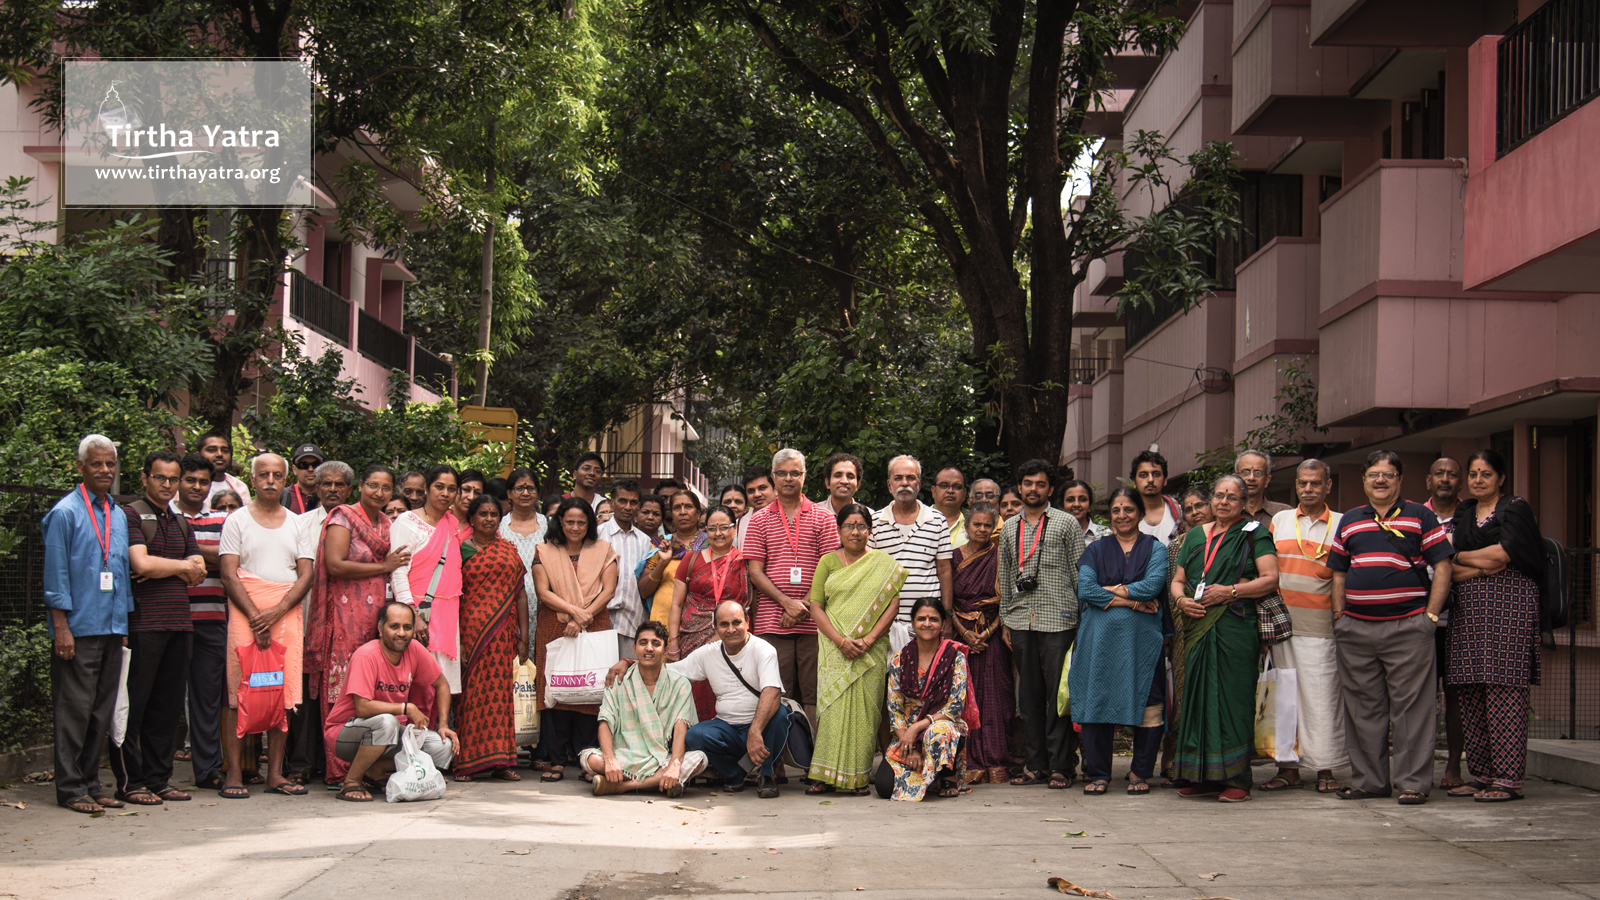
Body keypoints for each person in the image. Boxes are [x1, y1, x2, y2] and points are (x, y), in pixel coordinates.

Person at [1328, 450, 1453, 805]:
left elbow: (1442, 565)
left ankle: (1413, 783)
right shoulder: (1351, 519)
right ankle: (1369, 781)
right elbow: (1339, 570)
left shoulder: (1420, 516)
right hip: (1356, 630)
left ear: (1399, 479)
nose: (1380, 480)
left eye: (1387, 474)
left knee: (1412, 708)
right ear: (1364, 480)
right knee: (1362, 708)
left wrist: (1430, 616)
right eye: (1373, 475)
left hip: (1408, 627)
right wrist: (1340, 615)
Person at [1168, 474, 1279, 803]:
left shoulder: (1254, 533)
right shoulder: (1194, 537)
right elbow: (1178, 580)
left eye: (1232, 497)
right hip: (1197, 625)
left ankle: (1236, 779)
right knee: (1197, 699)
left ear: (1244, 503)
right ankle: (1200, 775)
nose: (1224, 502)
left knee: (1232, 700)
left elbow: (1270, 579)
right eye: (1218, 496)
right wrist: (1180, 600)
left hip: (1234, 625)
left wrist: (1231, 591)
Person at [614, 600, 792, 798]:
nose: (731, 629)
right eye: (724, 624)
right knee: (695, 735)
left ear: (747, 622)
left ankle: (768, 775)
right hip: (728, 727)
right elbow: (669, 670)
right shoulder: (708, 653)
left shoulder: (764, 650)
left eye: (737, 623)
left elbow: (772, 691)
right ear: (715, 628)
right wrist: (629, 662)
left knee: (781, 715)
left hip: (762, 726)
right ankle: (734, 775)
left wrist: (755, 730)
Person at [1447, 449, 1545, 802]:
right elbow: (1451, 564)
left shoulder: (1515, 507)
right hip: (1468, 614)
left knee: (1505, 689)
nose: (1478, 480)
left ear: (1501, 478)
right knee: (1470, 689)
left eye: (1485, 474)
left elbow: (1507, 554)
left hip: (1510, 609)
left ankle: (1507, 779)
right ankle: (1482, 774)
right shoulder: (1465, 512)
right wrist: (1478, 564)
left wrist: (1464, 559)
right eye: (1472, 474)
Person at [44, 435, 136, 814]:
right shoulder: (65, 513)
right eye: (96, 464)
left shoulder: (116, 512)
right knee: (74, 709)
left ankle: (92, 782)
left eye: (110, 464)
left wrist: (124, 621)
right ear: (80, 467)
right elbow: (55, 576)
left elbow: (121, 572)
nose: (104, 470)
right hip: (79, 628)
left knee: (101, 710)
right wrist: (60, 628)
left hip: (112, 626)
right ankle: (69, 788)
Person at [217, 453, 316, 799]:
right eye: (263, 475)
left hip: (285, 613)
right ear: (253, 479)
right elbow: (228, 573)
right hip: (245, 613)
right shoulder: (237, 521)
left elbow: (306, 574)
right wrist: (256, 615)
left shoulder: (296, 523)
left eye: (277, 475)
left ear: (285, 480)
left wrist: (277, 611)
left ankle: (275, 773)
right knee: (239, 692)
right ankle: (234, 773)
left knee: (282, 694)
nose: (270, 481)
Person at [110, 451, 205, 806]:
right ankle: (131, 782)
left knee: (166, 708)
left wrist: (165, 566)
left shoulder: (180, 520)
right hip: (142, 625)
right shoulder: (131, 513)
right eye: (160, 477)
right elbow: (139, 562)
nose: (167, 485)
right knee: (135, 705)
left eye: (173, 479)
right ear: (145, 478)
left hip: (180, 624)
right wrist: (178, 566)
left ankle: (159, 779)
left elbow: (196, 567)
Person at [306, 464, 408, 785]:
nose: (379, 493)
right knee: (344, 690)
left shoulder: (388, 524)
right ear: (360, 487)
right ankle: (339, 771)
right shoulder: (343, 517)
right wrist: (383, 566)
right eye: (373, 486)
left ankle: (368, 766)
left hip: (374, 619)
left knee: (370, 689)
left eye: (386, 488)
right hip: (344, 619)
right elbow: (334, 565)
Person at [1071, 487, 1169, 796]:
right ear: (1109, 515)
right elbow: (1085, 589)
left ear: (1140, 513)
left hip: (1142, 642)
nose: (1122, 515)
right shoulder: (1096, 550)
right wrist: (1132, 601)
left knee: (1149, 704)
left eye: (1128, 509)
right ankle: (1099, 773)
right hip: (1098, 642)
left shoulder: (1156, 549)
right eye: (1116, 510)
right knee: (1096, 700)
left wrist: (1112, 590)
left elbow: (1152, 586)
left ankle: (1139, 771)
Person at [806, 503, 906, 795]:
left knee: (866, 713)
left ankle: (857, 778)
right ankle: (824, 776)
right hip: (834, 648)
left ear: (870, 531)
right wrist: (840, 641)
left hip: (870, 651)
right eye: (849, 525)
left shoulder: (882, 563)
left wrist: (869, 639)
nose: (856, 531)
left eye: (862, 526)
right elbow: (816, 606)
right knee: (832, 708)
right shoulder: (827, 562)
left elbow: (893, 605)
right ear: (839, 530)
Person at [997, 459, 1084, 790]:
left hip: (1059, 620)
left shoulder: (1065, 523)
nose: (1034, 489)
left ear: (1051, 489)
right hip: (1020, 620)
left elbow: (1079, 573)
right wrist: (1006, 619)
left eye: (1041, 484)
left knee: (1058, 697)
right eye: (1028, 483)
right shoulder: (1008, 528)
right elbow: (1005, 576)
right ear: (1019, 487)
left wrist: (1083, 617)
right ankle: (1035, 766)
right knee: (1029, 697)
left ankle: (1062, 765)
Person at [1263, 459, 1348, 794]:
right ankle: (1288, 768)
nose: (1308, 489)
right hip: (1283, 626)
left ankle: (1325, 769)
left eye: (1315, 483)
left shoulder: (1343, 523)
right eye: (1302, 483)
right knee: (1285, 699)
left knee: (1322, 699)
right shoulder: (1280, 520)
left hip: (1323, 628)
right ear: (1295, 486)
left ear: (1328, 485)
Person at [745, 448, 840, 733]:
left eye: (795, 473)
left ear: (805, 476)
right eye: (782, 473)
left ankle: (814, 761)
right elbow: (755, 571)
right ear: (773, 477)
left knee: (814, 692)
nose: (789, 478)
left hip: (816, 620)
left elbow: (830, 569)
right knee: (775, 689)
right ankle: (776, 762)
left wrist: (803, 606)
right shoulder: (758, 519)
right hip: (772, 621)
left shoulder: (823, 517)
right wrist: (787, 603)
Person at [325, 602, 458, 802]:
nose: (401, 633)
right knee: (388, 722)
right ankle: (351, 781)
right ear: (380, 629)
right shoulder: (366, 655)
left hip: (389, 733)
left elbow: (442, 685)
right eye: (394, 626)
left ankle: (376, 768)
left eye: (407, 627)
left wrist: (445, 725)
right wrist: (406, 708)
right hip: (345, 733)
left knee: (443, 746)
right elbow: (362, 708)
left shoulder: (414, 649)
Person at [532, 498, 618, 782]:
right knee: (555, 690)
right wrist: (574, 614)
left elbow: (609, 590)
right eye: (569, 521)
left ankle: (586, 758)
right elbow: (543, 592)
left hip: (594, 623)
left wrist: (583, 618)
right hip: (554, 625)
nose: (575, 527)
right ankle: (556, 760)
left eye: (581, 522)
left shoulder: (603, 550)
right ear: (559, 522)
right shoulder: (544, 551)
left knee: (591, 688)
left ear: (590, 523)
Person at [581, 622, 709, 796]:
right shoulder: (618, 679)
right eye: (643, 643)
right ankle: (661, 782)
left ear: (665, 650)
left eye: (656, 644)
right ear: (634, 648)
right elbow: (605, 722)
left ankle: (623, 786)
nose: (649, 648)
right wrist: (610, 760)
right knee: (589, 759)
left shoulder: (680, 684)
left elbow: (681, 728)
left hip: (660, 759)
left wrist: (675, 764)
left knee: (699, 759)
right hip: (623, 757)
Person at [453, 494, 530, 781]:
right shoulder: (461, 551)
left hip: (503, 634)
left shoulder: (508, 549)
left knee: (501, 696)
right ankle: (467, 763)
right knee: (472, 697)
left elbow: (520, 593)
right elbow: (454, 596)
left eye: (493, 514)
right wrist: (457, 638)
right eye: (482, 514)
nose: (488, 519)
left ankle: (503, 762)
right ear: (471, 519)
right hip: (471, 633)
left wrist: (524, 636)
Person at [173, 452, 231, 791]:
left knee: (208, 699)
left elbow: (229, 560)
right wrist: (200, 553)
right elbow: (154, 553)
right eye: (190, 480)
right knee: (162, 698)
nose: (196, 486)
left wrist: (183, 549)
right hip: (170, 618)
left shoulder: (224, 521)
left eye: (203, 482)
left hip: (212, 619)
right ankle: (153, 771)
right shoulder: (165, 515)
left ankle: (208, 768)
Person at [667, 505, 750, 721]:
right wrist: (673, 642)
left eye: (724, 527)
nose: (718, 533)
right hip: (691, 640)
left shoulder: (745, 562)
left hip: (732, 641)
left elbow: (751, 606)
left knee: (727, 694)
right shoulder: (691, 559)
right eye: (712, 528)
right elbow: (676, 605)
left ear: (735, 529)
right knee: (690, 694)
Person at [882, 598, 970, 800]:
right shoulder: (900, 659)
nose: (927, 624)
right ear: (912, 623)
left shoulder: (955, 657)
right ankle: (930, 774)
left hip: (939, 725)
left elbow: (955, 706)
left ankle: (948, 776)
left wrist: (917, 727)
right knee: (885, 787)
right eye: (921, 619)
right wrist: (908, 743)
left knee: (939, 731)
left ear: (942, 624)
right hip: (907, 735)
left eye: (934, 619)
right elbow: (894, 708)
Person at [951, 502, 1011, 785]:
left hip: (992, 637)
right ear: (966, 527)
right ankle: (971, 761)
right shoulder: (952, 558)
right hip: (960, 636)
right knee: (965, 698)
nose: (983, 529)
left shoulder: (1001, 556)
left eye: (988, 525)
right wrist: (964, 634)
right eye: (977, 524)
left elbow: (1008, 602)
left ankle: (996, 761)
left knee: (997, 698)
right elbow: (948, 604)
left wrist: (986, 634)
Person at [390, 466, 465, 694]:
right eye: (439, 487)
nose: (445, 494)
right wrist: (411, 615)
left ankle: (438, 730)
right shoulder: (407, 522)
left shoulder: (453, 525)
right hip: (416, 615)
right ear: (426, 489)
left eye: (451, 489)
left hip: (447, 616)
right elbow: (398, 572)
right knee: (416, 688)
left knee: (441, 690)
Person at [870, 455, 953, 652]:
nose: (904, 483)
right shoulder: (874, 522)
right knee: (891, 680)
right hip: (887, 623)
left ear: (919, 483)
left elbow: (944, 570)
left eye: (911, 478)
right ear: (889, 485)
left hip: (927, 623)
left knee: (927, 680)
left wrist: (947, 616)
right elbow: (870, 575)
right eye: (898, 478)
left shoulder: (937, 520)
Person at [1161, 484, 1214, 785]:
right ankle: (1183, 762)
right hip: (1183, 628)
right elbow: (1170, 591)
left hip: (1220, 622)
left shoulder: (1232, 539)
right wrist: (1169, 633)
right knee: (1182, 694)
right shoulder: (1175, 547)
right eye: (1189, 508)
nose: (1195, 512)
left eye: (1200, 505)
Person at [1424, 457, 1468, 794]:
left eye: (1452, 474)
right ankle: (1419, 768)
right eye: (1439, 473)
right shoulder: (1414, 515)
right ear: (1428, 480)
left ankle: (1453, 766)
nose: (1445, 479)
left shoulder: (1471, 517)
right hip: (1421, 620)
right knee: (1421, 696)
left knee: (1455, 696)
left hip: (1461, 620)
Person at [599, 479, 655, 656]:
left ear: (638, 505)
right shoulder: (596, 534)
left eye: (633, 502)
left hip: (632, 621)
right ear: (612, 503)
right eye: (622, 501)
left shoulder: (645, 541)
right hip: (600, 619)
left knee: (628, 678)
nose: (628, 507)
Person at [641, 489, 709, 626]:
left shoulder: (710, 545)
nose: (683, 512)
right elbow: (643, 591)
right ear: (671, 514)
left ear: (698, 513)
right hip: (663, 620)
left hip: (701, 621)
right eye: (677, 508)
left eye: (688, 507)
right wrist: (662, 563)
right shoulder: (661, 545)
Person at [1130, 449, 1182, 546]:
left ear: (1165, 480)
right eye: (1143, 475)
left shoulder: (1179, 514)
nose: (1150, 479)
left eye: (1156, 474)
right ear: (1134, 482)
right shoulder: (1125, 517)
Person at [299, 459, 353, 538]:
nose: (333, 489)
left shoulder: (358, 523)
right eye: (327, 484)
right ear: (318, 490)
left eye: (339, 484)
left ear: (349, 491)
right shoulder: (301, 523)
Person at [1237, 450, 1291, 527]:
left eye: (1258, 473)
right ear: (1235, 478)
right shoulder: (1225, 512)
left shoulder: (1285, 513)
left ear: (1267, 480)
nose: (1251, 478)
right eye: (1246, 472)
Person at [197, 430, 251, 505]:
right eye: (212, 450)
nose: (219, 454)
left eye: (225, 451)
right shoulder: (189, 486)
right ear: (198, 455)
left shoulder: (240, 487)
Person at [1060, 479, 1110, 545]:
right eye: (1070, 500)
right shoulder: (1055, 534)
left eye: (1082, 499)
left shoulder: (1104, 535)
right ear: (1062, 506)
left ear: (1090, 506)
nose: (1076, 504)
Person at [930, 465, 969, 550]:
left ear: (964, 494)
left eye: (957, 486)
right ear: (933, 491)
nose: (950, 491)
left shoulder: (972, 526)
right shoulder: (917, 520)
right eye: (944, 485)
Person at [736, 466, 776, 550]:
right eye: (751, 491)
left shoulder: (790, 517)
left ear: (775, 489)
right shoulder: (741, 523)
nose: (757, 494)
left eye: (762, 488)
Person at [285, 443, 325, 515]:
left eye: (315, 465)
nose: (310, 469)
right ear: (294, 470)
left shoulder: (328, 496)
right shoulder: (283, 497)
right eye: (304, 465)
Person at [821, 452, 864, 517]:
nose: (844, 481)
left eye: (850, 477)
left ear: (858, 485)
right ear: (827, 483)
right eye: (838, 476)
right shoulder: (811, 515)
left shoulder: (870, 516)